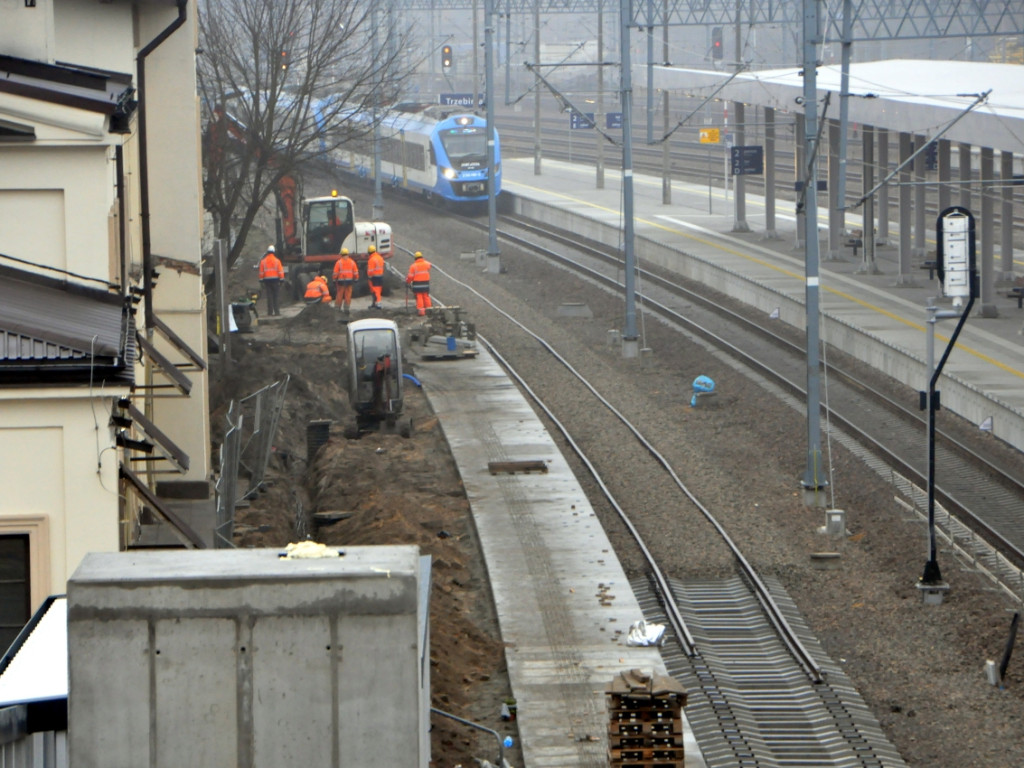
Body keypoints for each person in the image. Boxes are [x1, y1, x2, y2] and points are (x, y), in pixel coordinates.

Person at [258, 245, 284, 316]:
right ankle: (277, 312)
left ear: (267, 252)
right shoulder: (277, 261)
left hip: (267, 281)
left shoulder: (263, 262)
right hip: (275, 281)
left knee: (269, 297)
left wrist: (261, 281)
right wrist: (281, 280)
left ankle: (270, 312)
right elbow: (280, 272)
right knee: (276, 296)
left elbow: (261, 272)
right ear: (274, 252)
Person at [332, 248, 359, 315]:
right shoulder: (352, 262)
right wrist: (356, 279)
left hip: (341, 281)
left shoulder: (339, 262)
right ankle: (346, 309)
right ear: (348, 254)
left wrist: (334, 279)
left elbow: (335, 273)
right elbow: (355, 272)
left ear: (341, 254)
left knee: (339, 295)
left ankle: (337, 308)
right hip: (349, 281)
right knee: (348, 295)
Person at [405, 251, 433, 316]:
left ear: (415, 258)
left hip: (417, 284)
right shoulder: (426, 264)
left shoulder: (413, 266)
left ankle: (421, 311)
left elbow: (410, 277)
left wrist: (408, 281)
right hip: (426, 283)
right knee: (426, 296)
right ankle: (429, 309)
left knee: (419, 296)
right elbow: (429, 265)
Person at [366, 244, 385, 309]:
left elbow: (370, 271)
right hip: (380, 276)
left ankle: (377, 304)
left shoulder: (371, 259)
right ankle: (375, 303)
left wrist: (369, 277)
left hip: (374, 277)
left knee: (375, 291)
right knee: (378, 290)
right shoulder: (380, 258)